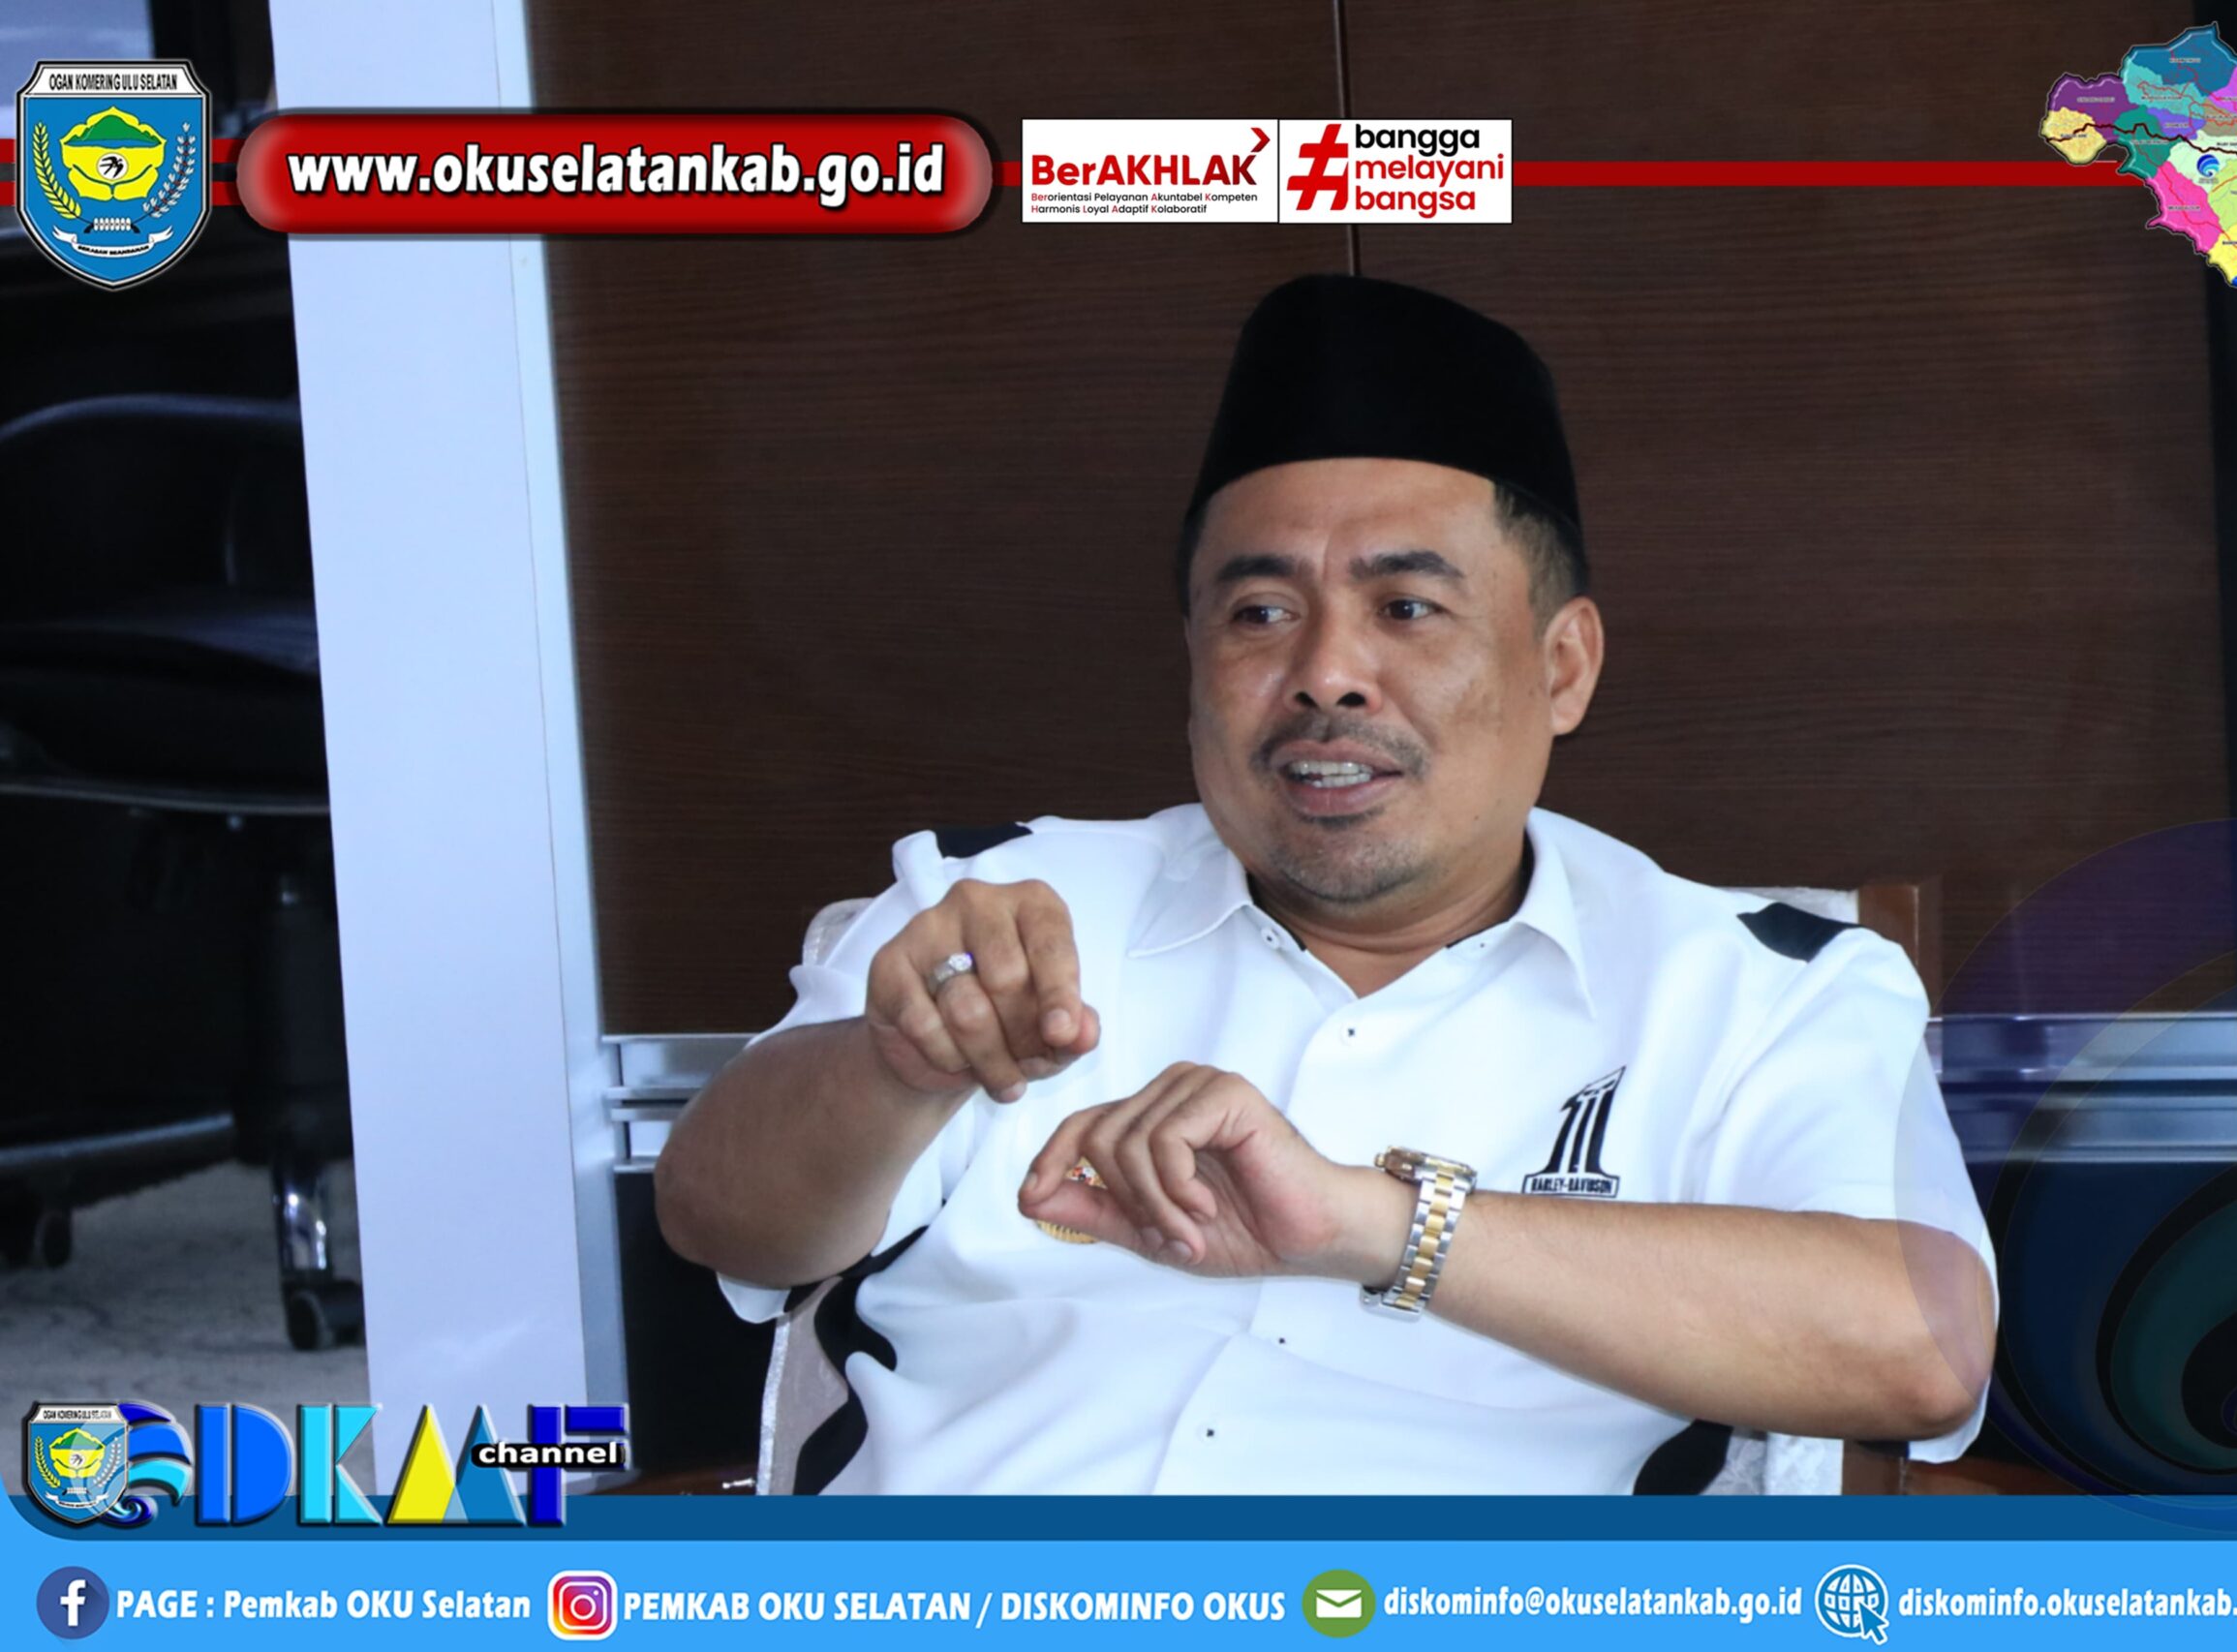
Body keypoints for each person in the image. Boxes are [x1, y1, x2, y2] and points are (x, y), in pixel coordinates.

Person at [655, 274, 1997, 1495]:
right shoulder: (1006, 907)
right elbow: (722, 1218)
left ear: (1563, 666)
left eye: (1407, 608)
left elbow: (1920, 1352)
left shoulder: (1761, 990)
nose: (1327, 675)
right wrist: (898, 1067)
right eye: (1260, 613)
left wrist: (1380, 1224)